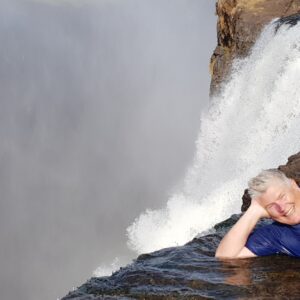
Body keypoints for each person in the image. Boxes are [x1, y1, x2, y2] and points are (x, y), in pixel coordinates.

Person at [215, 169, 300, 258]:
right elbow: (225, 255)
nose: (282, 208)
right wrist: (254, 211)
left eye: (282, 196)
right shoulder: (276, 235)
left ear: (294, 185)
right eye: (271, 206)